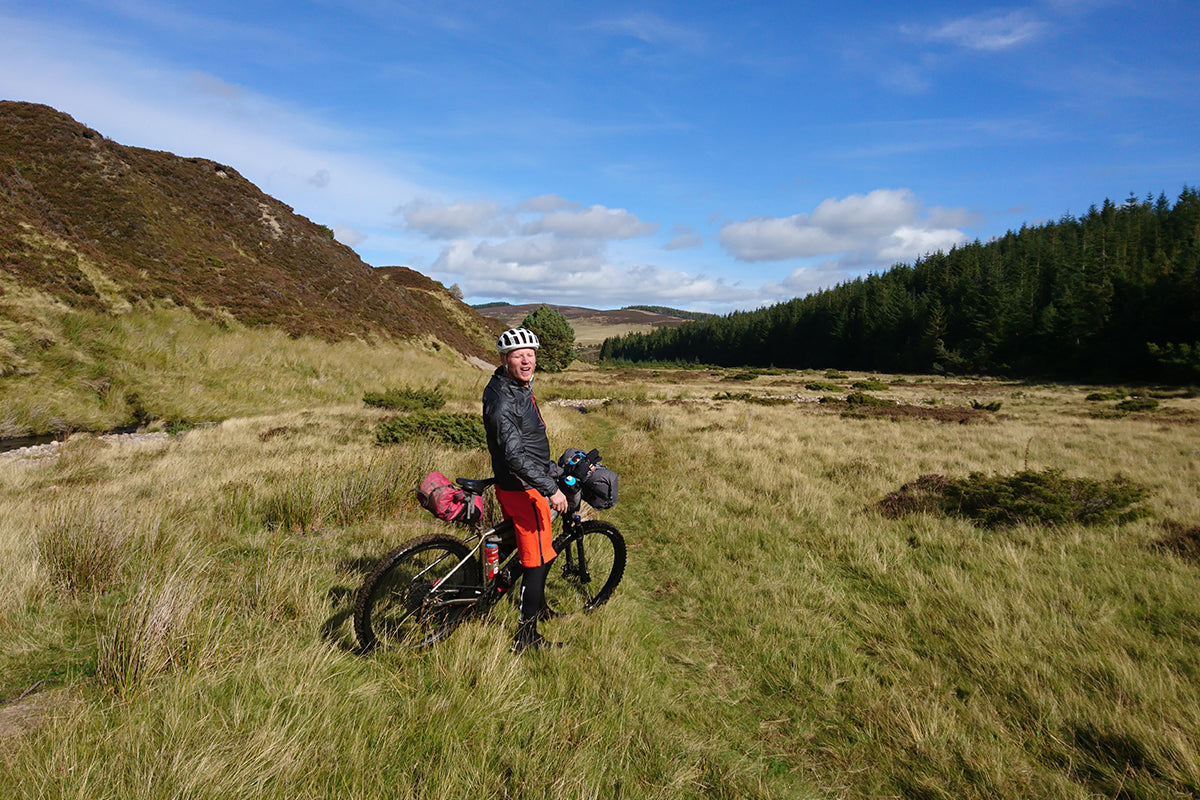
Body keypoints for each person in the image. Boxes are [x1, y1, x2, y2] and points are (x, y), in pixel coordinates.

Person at [482, 327, 569, 653]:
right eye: (519, 355)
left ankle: (524, 603)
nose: (526, 360)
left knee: (517, 546)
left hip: (521, 481)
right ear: (504, 359)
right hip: (524, 488)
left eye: (530, 354)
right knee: (537, 561)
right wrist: (549, 489)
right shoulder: (504, 398)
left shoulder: (513, 386)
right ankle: (526, 637)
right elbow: (514, 455)